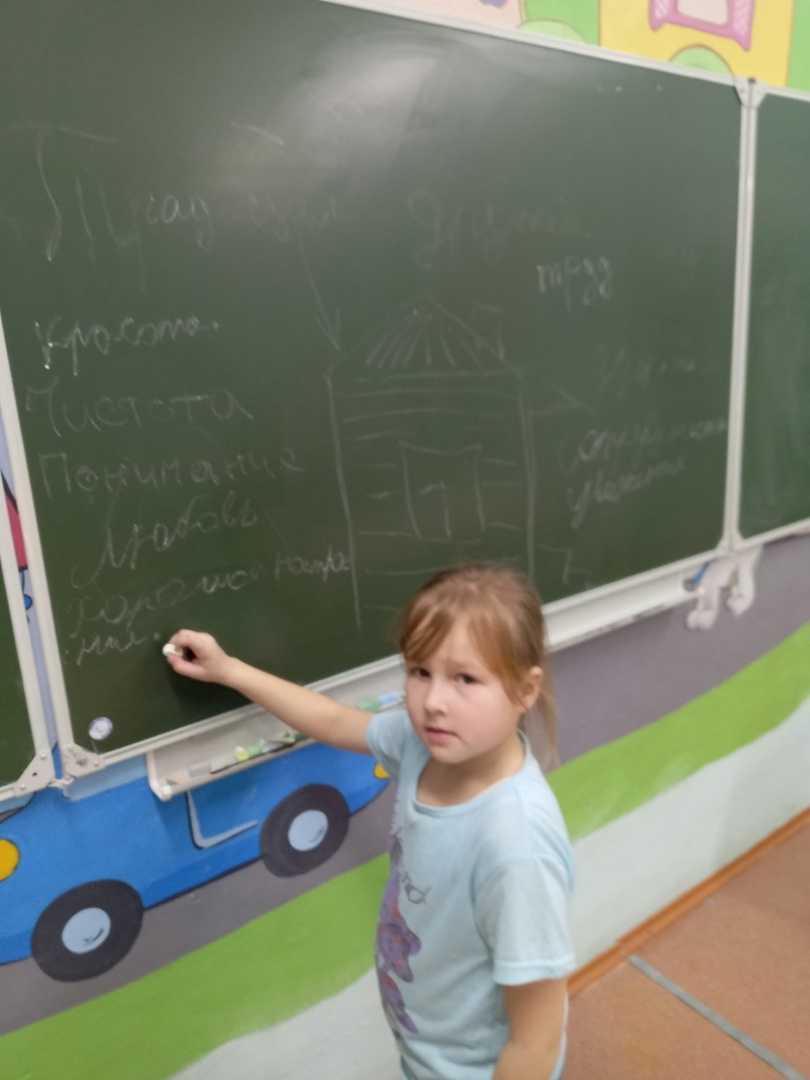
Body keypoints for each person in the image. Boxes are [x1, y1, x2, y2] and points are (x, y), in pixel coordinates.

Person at [165, 564, 575, 1080]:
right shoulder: (421, 745)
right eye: (419, 671)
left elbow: (537, 1040)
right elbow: (334, 721)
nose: (433, 702)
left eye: (465, 679)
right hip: (427, 1049)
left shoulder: (516, 847)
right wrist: (229, 671)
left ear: (525, 689)